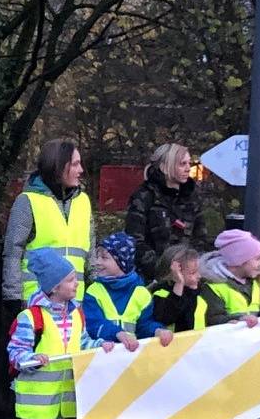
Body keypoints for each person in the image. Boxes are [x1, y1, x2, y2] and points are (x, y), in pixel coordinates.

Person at [6, 248, 111, 419]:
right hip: (38, 395)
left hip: (63, 393)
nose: (76, 283)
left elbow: (82, 342)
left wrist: (101, 346)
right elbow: (16, 352)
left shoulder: (76, 314)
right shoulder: (31, 317)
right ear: (54, 287)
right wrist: (32, 359)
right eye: (69, 280)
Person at [2, 140, 91, 304]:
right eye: (75, 164)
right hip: (38, 302)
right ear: (58, 167)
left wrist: (95, 293)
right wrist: (13, 296)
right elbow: (13, 252)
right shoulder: (27, 201)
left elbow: (90, 253)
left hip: (75, 304)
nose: (81, 170)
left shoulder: (83, 202)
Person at [123, 143, 204, 278]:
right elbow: (134, 240)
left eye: (189, 163)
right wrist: (162, 269)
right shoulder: (145, 196)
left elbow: (200, 239)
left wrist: (190, 268)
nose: (188, 169)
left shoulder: (192, 197)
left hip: (187, 276)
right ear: (164, 167)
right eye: (182, 164)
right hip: (151, 277)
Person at [81, 233, 172, 350]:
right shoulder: (94, 291)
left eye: (104, 257)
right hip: (102, 358)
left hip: (131, 358)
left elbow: (144, 325)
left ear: (121, 261)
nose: (97, 262)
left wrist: (157, 330)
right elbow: (93, 324)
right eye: (97, 257)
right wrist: (118, 334)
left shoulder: (141, 293)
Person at [197, 230, 260, 328]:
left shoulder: (255, 283)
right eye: (257, 259)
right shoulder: (213, 287)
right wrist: (238, 319)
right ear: (239, 260)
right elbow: (212, 318)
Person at [149, 245, 204, 333]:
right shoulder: (161, 293)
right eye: (193, 273)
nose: (199, 276)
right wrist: (179, 284)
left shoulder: (196, 290)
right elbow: (165, 318)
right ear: (174, 273)